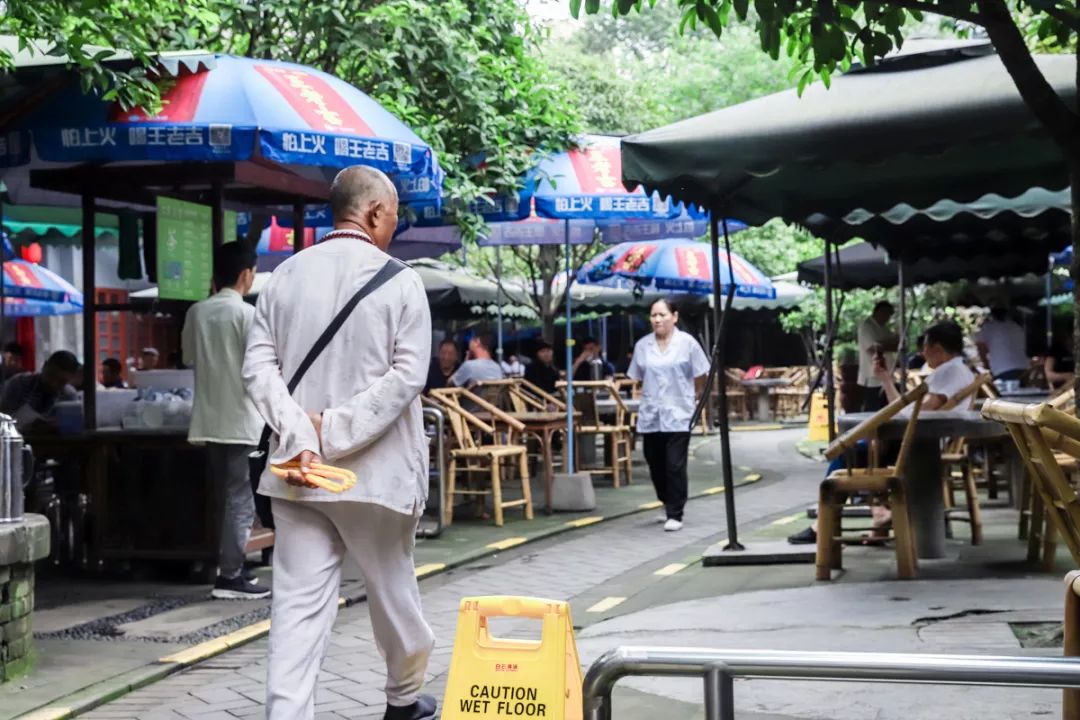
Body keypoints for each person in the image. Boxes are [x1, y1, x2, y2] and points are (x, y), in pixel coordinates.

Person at [243, 166, 436, 720]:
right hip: (375, 476)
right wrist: (334, 430)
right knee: (396, 600)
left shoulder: (282, 277)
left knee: (297, 609)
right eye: (394, 216)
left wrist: (304, 434)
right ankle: (402, 700)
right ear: (375, 212)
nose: (395, 227)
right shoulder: (400, 280)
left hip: (296, 474)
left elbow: (257, 369)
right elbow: (406, 378)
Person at [788, 321, 976, 545]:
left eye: (924, 347)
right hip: (918, 441)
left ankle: (827, 524)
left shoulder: (950, 371)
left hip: (917, 445)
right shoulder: (956, 369)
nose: (922, 353)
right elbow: (906, 409)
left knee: (847, 455)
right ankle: (879, 516)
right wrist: (886, 378)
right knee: (859, 451)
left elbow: (920, 411)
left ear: (937, 348)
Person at [183, 242, 267, 601]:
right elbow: (259, 368)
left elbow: (188, 358)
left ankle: (226, 567)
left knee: (223, 498)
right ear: (247, 274)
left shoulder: (196, 313)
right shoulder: (247, 316)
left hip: (207, 419)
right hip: (242, 420)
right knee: (239, 499)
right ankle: (231, 575)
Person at [627, 298, 710, 532]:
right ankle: (666, 501)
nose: (657, 319)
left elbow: (701, 373)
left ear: (674, 316)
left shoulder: (688, 343)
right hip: (651, 413)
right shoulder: (643, 345)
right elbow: (638, 376)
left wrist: (695, 397)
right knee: (654, 461)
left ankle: (675, 512)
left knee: (675, 464)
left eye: (662, 315)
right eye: (653, 315)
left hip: (679, 412)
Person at [0, 350, 80, 431]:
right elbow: (4, 418)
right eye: (51, 375)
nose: (53, 383)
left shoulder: (69, 395)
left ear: (70, 379)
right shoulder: (19, 383)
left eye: (62, 381)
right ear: (44, 366)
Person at [856, 301, 899, 412]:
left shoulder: (884, 328)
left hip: (886, 375)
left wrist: (884, 344)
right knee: (872, 409)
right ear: (879, 312)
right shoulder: (867, 326)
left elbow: (896, 345)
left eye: (890, 315)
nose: (888, 317)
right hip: (871, 377)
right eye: (887, 314)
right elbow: (872, 348)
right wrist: (887, 344)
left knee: (886, 409)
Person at [975, 307, 1028, 381]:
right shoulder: (1016, 326)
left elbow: (981, 348)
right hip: (1024, 368)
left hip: (1002, 369)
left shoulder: (988, 327)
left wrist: (986, 364)